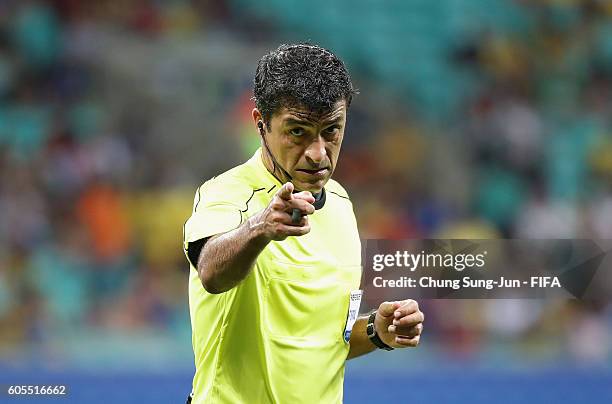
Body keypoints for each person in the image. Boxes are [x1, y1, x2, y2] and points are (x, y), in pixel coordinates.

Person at [183, 43, 424, 404]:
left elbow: (327, 341)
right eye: (298, 132)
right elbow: (212, 274)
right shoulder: (227, 195)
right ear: (260, 124)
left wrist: (377, 331)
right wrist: (259, 229)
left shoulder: (341, 204)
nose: (318, 153)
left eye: (331, 131)